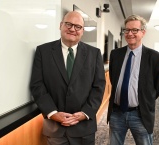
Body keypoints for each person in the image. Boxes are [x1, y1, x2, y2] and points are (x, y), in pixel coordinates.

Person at [30, 11, 105, 145]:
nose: (72, 29)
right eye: (68, 24)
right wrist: (52, 113)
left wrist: (85, 113)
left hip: (84, 127)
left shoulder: (94, 54)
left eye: (78, 27)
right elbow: (37, 85)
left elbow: (98, 87)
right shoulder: (43, 51)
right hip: (55, 128)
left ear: (82, 31)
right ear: (61, 25)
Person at [107, 14, 159, 145]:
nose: (130, 33)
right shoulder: (115, 54)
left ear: (143, 32)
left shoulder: (156, 58)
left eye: (135, 30)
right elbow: (113, 79)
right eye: (127, 30)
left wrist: (145, 99)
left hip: (140, 114)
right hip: (117, 113)